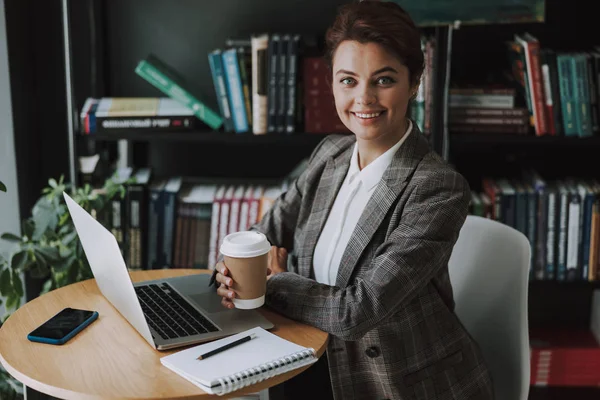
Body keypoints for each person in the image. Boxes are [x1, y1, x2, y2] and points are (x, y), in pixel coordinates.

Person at [213, 1, 494, 399]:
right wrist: (230, 273)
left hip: (395, 383)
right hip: (306, 359)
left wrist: (268, 281)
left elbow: (358, 310)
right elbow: (262, 235)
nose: (364, 98)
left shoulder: (437, 188)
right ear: (331, 82)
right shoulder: (329, 154)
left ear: (414, 82)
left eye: (383, 80)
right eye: (348, 80)